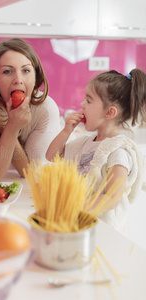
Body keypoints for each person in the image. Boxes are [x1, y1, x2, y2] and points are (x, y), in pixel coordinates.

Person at [46, 68, 146, 235]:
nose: (81, 104)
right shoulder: (85, 142)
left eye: (89, 100)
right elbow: (51, 156)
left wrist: (74, 207)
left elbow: (112, 198)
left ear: (109, 112)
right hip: (78, 224)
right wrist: (66, 131)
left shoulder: (119, 151)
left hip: (103, 230)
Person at [0, 38, 61, 181]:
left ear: (35, 76)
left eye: (26, 70)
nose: (18, 79)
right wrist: (11, 127)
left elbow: (30, 172)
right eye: (7, 71)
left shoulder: (46, 109)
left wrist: (7, 127)